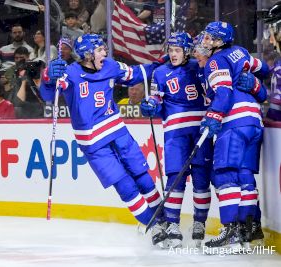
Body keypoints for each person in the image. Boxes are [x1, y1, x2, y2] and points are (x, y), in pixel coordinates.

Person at [42, 34, 168, 247]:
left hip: (118, 131)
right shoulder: (70, 73)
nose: (105, 53)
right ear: (88, 54)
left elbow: (136, 74)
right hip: (93, 142)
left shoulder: (110, 66)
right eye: (100, 50)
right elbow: (48, 94)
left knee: (142, 176)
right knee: (125, 185)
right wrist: (47, 77)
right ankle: (154, 225)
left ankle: (166, 220)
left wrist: (158, 65)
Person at [197, 21, 270, 252]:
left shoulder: (216, 61)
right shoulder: (242, 52)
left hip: (235, 121)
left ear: (220, 41)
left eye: (210, 38)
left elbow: (225, 92)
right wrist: (256, 82)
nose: (205, 41)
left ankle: (231, 230)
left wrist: (214, 115)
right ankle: (250, 227)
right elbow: (265, 69)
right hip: (254, 121)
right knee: (244, 174)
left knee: (226, 173)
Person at [140, 32, 213, 248]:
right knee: (175, 179)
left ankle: (200, 222)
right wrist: (151, 105)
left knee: (201, 179)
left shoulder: (198, 66)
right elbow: (156, 98)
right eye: (170, 50)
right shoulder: (160, 72)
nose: (173, 54)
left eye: (177, 50)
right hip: (175, 133)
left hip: (201, 130)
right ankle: (172, 223)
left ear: (187, 51)